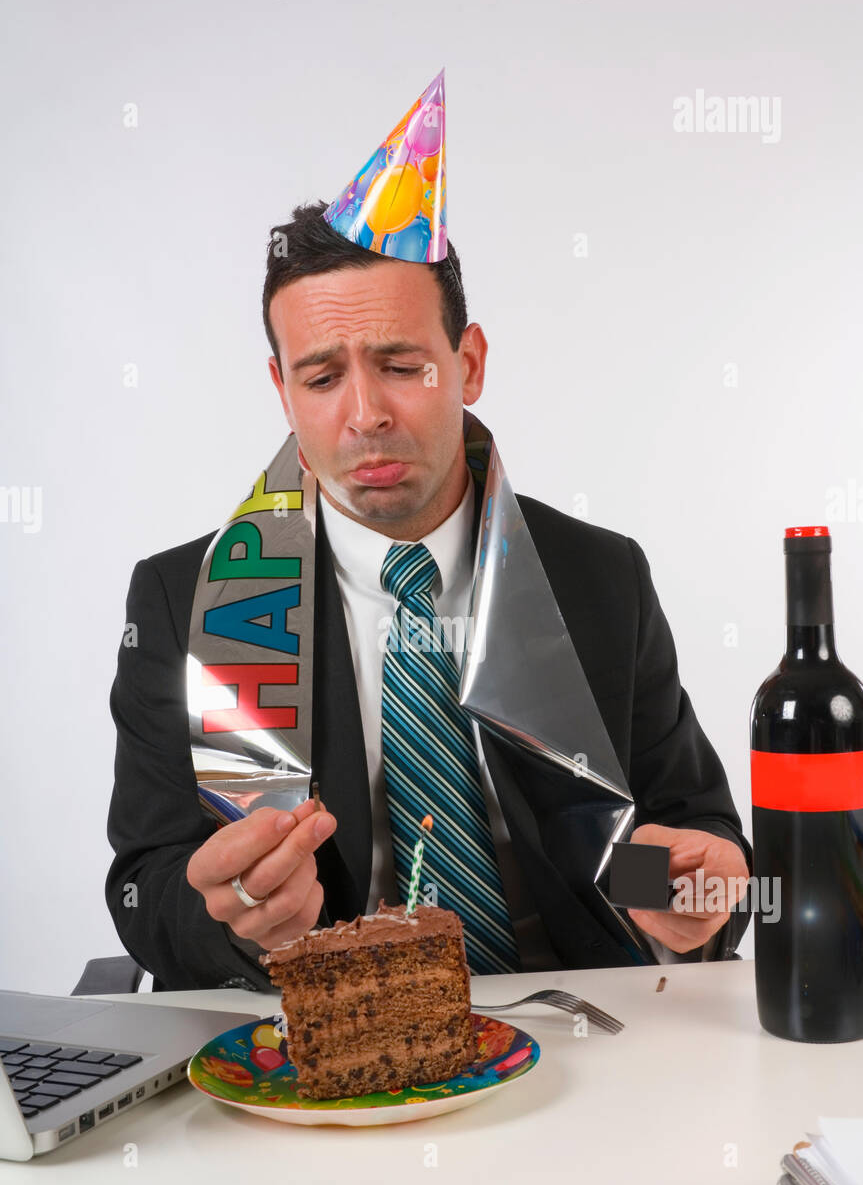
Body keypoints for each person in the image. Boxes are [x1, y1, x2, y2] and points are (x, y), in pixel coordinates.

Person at [105, 200, 752, 992]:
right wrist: (236, 919)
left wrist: (696, 891)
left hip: (577, 1025)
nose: (365, 415)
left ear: (468, 363)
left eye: (402, 367)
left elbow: (693, 837)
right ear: (282, 390)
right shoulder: (193, 600)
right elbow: (147, 887)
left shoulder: (600, 576)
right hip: (327, 1036)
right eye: (321, 377)